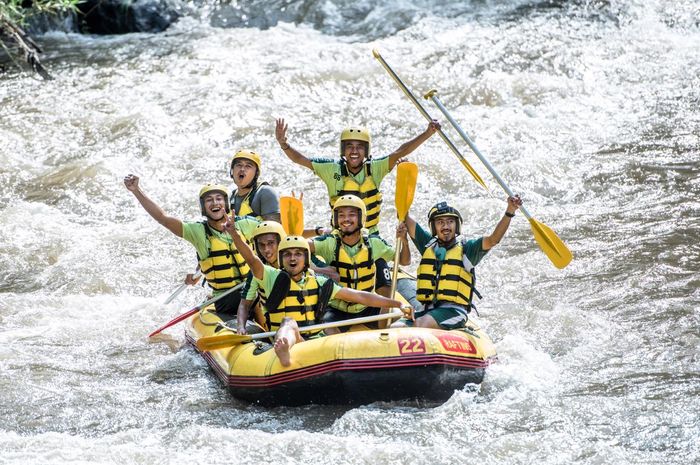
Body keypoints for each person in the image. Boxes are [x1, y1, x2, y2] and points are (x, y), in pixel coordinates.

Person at [225, 216, 408, 367]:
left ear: (306, 260)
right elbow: (251, 258)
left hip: (314, 341)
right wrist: (234, 233)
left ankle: (349, 360)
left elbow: (358, 296)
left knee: (328, 326)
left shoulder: (318, 281)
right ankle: (283, 350)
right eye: (287, 255)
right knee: (289, 322)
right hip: (289, 339)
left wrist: (396, 303)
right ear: (281, 260)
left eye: (298, 254)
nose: (293, 258)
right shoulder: (270, 276)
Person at [275, 118, 440, 235]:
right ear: (343, 150)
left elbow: (400, 152)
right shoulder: (331, 169)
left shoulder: (376, 168)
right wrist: (284, 144)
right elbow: (300, 159)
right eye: (349, 146)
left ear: (366, 151)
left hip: (371, 236)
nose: (354, 151)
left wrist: (427, 133)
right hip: (340, 237)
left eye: (360, 147)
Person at [123, 175, 259, 317]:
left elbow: (273, 234)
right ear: (203, 208)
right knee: (237, 299)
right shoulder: (197, 232)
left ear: (226, 203)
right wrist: (136, 190)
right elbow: (163, 218)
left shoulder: (245, 224)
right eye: (209, 200)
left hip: (254, 289)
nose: (214, 203)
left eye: (219, 198)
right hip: (225, 298)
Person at [401, 196, 523, 330]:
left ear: (456, 225)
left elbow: (493, 239)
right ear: (434, 227)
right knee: (394, 325)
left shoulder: (468, 250)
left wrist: (510, 211)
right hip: (427, 310)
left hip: (454, 312)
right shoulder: (427, 244)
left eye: (450, 221)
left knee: (422, 324)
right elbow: (404, 217)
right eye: (440, 222)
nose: (446, 226)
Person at [309, 195, 410, 333]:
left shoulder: (375, 243)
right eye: (342, 215)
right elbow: (301, 247)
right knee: (325, 328)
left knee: (404, 321)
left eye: (352, 214)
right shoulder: (329, 242)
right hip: (337, 309)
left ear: (361, 218)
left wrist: (404, 240)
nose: (346, 219)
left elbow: (404, 261)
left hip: (367, 306)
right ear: (336, 219)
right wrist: (316, 268)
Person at [236, 220, 287, 334]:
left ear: (281, 242)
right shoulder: (256, 271)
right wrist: (241, 327)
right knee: (254, 303)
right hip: (275, 330)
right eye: (261, 245)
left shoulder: (299, 264)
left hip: (302, 326)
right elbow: (244, 304)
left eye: (270, 243)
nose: (266, 250)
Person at [229, 149, 280, 222]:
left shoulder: (265, 193)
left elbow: (274, 229)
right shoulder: (230, 197)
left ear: (256, 174)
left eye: (248, 166)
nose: (242, 169)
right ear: (232, 170)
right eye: (239, 165)